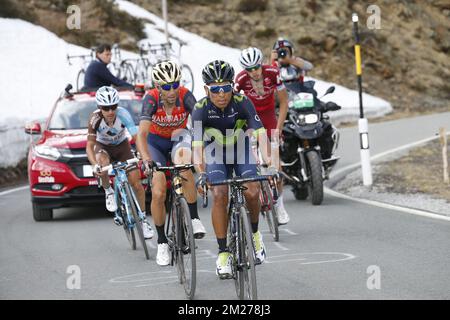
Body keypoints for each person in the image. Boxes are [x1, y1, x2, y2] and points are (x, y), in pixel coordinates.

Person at [192, 60, 270, 279]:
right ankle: (223, 252)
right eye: (215, 90)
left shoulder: (242, 101)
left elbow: (260, 134)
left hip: (241, 148)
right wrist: (201, 173)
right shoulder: (199, 109)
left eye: (226, 88)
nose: (221, 94)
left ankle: (254, 234)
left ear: (232, 87)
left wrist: (271, 164)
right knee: (219, 194)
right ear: (207, 89)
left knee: (253, 190)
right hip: (215, 153)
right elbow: (197, 147)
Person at [136, 60, 206, 266]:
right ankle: (162, 242)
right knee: (158, 191)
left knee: (185, 166)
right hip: (155, 144)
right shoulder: (151, 99)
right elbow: (141, 133)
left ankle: (193, 219)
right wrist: (147, 159)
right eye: (166, 87)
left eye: (175, 84)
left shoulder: (185, 95)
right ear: (158, 87)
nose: (172, 90)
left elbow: (201, 122)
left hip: (178, 138)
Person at [86, 86, 154, 239]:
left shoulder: (123, 114)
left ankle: (143, 220)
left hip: (122, 146)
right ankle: (108, 191)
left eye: (113, 107)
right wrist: (94, 165)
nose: (110, 111)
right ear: (99, 107)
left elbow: (137, 138)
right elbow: (89, 146)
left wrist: (143, 156)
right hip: (103, 147)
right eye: (106, 108)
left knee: (136, 183)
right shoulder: (94, 119)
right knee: (101, 162)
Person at [235, 46, 290, 225]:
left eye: (257, 67)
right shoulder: (241, 79)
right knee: (251, 159)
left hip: (268, 119)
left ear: (262, 64)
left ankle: (280, 205)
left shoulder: (273, 73)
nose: (255, 72)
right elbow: (234, 106)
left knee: (276, 165)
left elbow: (283, 103)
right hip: (250, 120)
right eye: (250, 69)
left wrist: (279, 128)